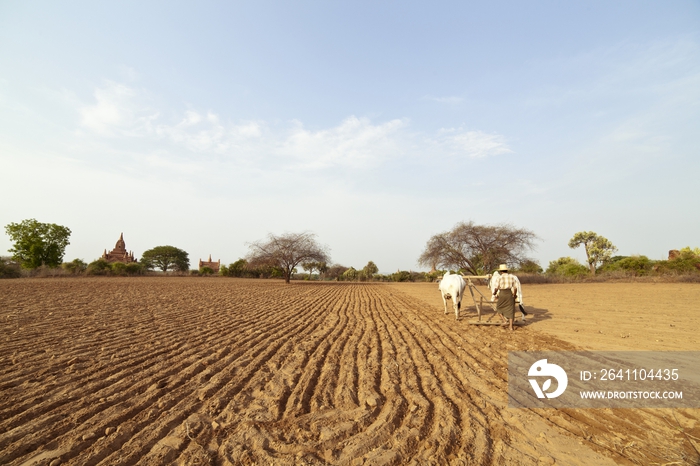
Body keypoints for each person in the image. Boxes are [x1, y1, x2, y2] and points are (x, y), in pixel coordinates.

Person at [492, 264, 518, 331]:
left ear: (501, 271)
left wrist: (494, 293)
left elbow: (496, 288)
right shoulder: (512, 277)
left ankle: (504, 321)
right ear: (506, 270)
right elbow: (515, 288)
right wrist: (514, 295)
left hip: (502, 293)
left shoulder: (499, 278)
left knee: (498, 307)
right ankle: (511, 327)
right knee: (511, 310)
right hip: (509, 293)